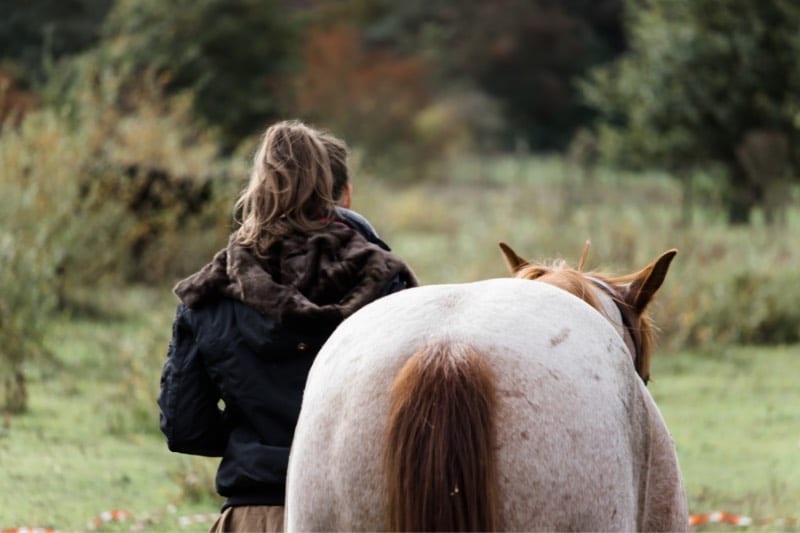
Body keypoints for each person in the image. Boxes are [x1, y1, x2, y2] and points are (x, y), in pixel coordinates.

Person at [157, 120, 418, 532]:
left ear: (256, 187)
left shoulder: (211, 291)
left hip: (257, 512)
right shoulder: (384, 281)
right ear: (333, 192)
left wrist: (256, 436)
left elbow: (185, 428)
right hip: (360, 511)